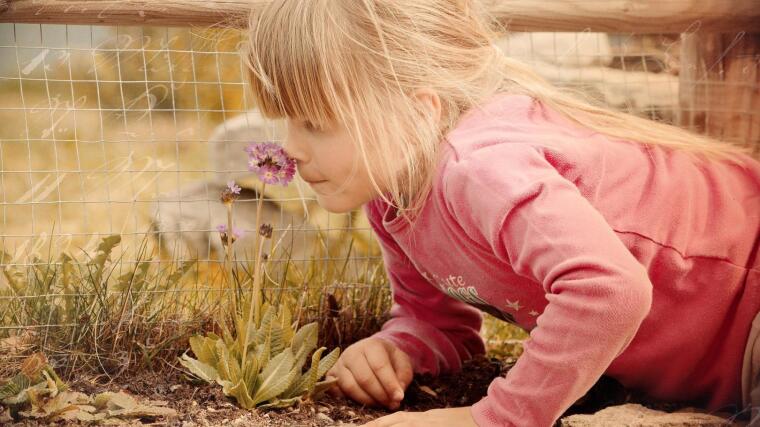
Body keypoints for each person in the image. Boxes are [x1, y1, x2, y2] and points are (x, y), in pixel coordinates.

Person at [242, 1, 760, 425]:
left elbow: (609, 290)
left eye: (314, 122)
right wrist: (399, 346)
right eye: (286, 122)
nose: (291, 150)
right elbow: (440, 324)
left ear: (421, 109)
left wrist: (492, 419)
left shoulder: (481, 169)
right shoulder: (391, 197)